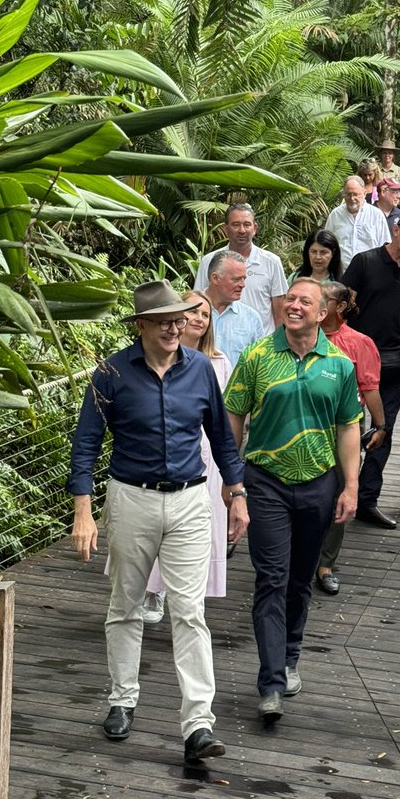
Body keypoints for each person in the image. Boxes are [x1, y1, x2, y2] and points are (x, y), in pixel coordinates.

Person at [68, 280, 249, 762]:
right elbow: (86, 443)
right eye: (164, 321)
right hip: (132, 498)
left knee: (189, 611)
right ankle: (122, 699)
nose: (175, 328)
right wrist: (83, 511)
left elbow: (221, 437)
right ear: (142, 326)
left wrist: (236, 493)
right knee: (126, 604)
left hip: (190, 500)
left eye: (179, 319)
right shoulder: (111, 372)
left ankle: (199, 725)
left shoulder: (200, 370)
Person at [224, 278, 362, 720]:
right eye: (291, 299)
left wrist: (351, 485)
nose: (295, 305)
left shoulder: (339, 365)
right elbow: (234, 416)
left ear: (323, 313)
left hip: (319, 482)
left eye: (306, 301)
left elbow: (348, 426)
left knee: (300, 579)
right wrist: (232, 480)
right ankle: (270, 682)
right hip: (265, 480)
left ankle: (290, 657)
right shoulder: (257, 356)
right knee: (271, 577)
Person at [140, 290, 232, 624]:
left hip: (207, 456)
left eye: (205, 315)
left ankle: (190, 597)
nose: (198, 319)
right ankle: (153, 589)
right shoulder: (154, 358)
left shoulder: (218, 363)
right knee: (159, 521)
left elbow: (225, 418)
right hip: (168, 452)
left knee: (200, 527)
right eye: (192, 312)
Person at [341, 213, 400, 529]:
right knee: (348, 424)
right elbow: (343, 306)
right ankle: (341, 491)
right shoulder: (365, 262)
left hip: (393, 362)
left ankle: (367, 499)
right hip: (353, 361)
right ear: (396, 230)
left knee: (384, 429)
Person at [315, 282, 387, 595]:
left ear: (340, 307)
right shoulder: (300, 336)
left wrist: (380, 425)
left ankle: (326, 563)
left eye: (323, 299)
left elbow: (369, 387)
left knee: (340, 490)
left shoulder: (358, 343)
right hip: (306, 421)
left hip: (343, 425)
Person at [194, 202, 288, 334]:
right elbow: (198, 302)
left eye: (247, 224)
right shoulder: (209, 261)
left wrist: (278, 343)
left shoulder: (271, 262)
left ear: (255, 228)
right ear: (226, 229)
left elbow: (280, 311)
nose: (242, 230)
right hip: (217, 340)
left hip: (261, 342)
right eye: (236, 224)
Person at [203, 250, 264, 368]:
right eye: (236, 279)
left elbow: (260, 364)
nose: (242, 285)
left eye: (244, 279)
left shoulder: (251, 318)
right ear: (215, 278)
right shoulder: (189, 311)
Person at [325, 175, 391, 269]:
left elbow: (386, 247)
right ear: (344, 194)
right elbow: (326, 244)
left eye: (355, 194)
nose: (352, 198)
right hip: (341, 272)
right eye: (348, 194)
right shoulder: (335, 215)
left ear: (364, 193)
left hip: (369, 271)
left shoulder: (376, 215)